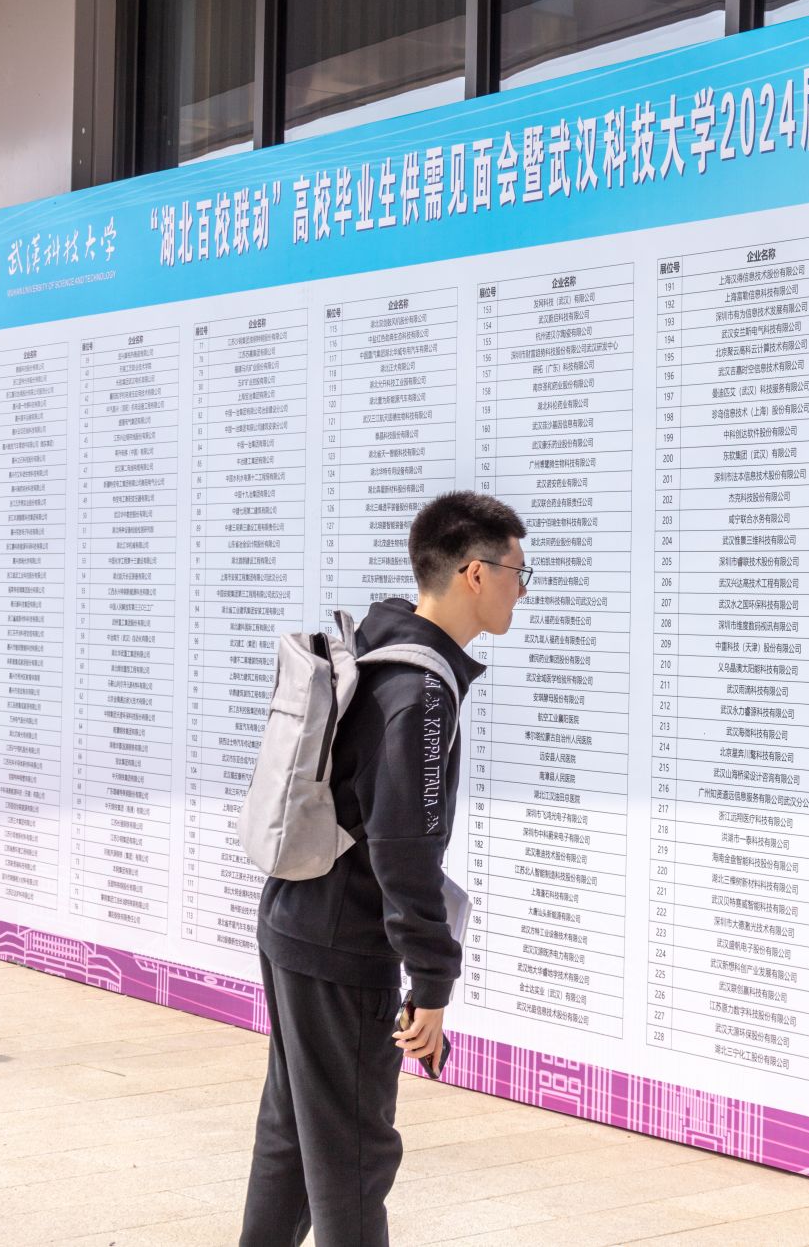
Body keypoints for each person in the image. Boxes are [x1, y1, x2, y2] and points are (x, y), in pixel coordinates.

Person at [241, 491, 528, 1247]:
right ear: (474, 572)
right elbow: (404, 851)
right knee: (354, 1160)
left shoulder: (378, 645)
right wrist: (431, 982)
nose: (522, 591)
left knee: (296, 1137)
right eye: (518, 573)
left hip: (296, 919)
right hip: (342, 944)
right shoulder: (421, 692)